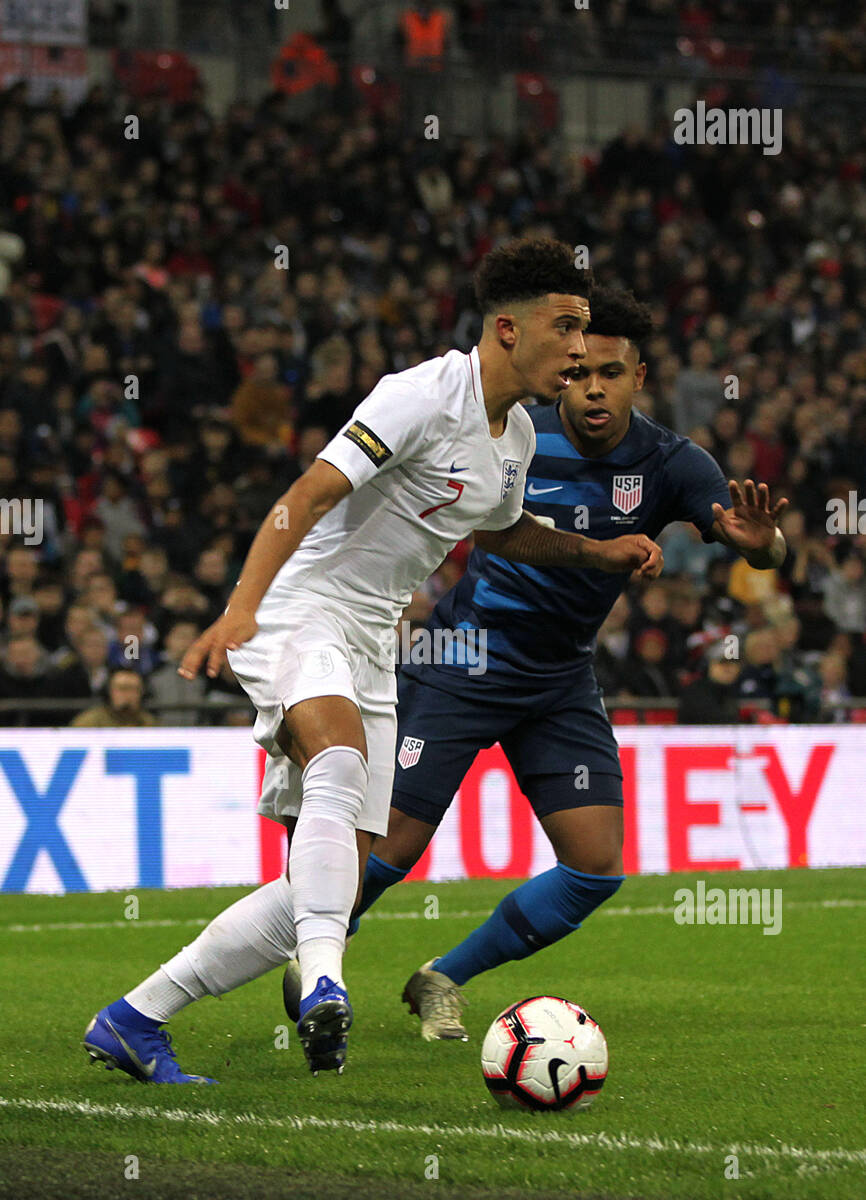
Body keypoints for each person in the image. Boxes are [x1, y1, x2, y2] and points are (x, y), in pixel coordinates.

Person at [83, 237, 662, 1084]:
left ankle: (136, 1018)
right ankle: (326, 982)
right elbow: (308, 494)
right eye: (567, 326)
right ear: (508, 328)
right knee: (340, 758)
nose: (581, 350)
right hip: (299, 604)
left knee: (327, 891)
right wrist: (242, 608)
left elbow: (495, 528)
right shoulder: (420, 395)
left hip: (371, 638)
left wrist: (595, 553)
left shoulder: (517, 440)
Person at [282, 287, 788, 1041]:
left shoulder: (671, 463)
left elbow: (766, 549)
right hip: (463, 660)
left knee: (595, 868)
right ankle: (316, 955)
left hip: (558, 680)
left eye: (612, 374)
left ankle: (442, 976)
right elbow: (486, 530)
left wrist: (760, 544)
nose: (593, 388)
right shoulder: (515, 433)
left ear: (638, 377)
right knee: (391, 850)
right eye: (582, 370)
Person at [70, 667, 156, 728]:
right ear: (109, 691)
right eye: (123, 688)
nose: (128, 695)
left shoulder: (150, 724)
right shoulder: (88, 723)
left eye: (134, 689)